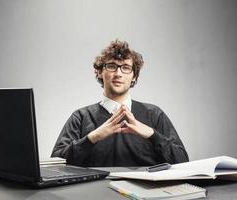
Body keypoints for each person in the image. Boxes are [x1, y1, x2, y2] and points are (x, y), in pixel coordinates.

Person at [51, 39, 189, 167]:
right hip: (95, 192)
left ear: (134, 76)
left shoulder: (154, 114)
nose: (118, 73)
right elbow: (56, 165)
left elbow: (182, 161)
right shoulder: (80, 117)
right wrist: (93, 137)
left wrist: (152, 134)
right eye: (111, 66)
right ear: (99, 72)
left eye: (126, 68)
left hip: (146, 191)